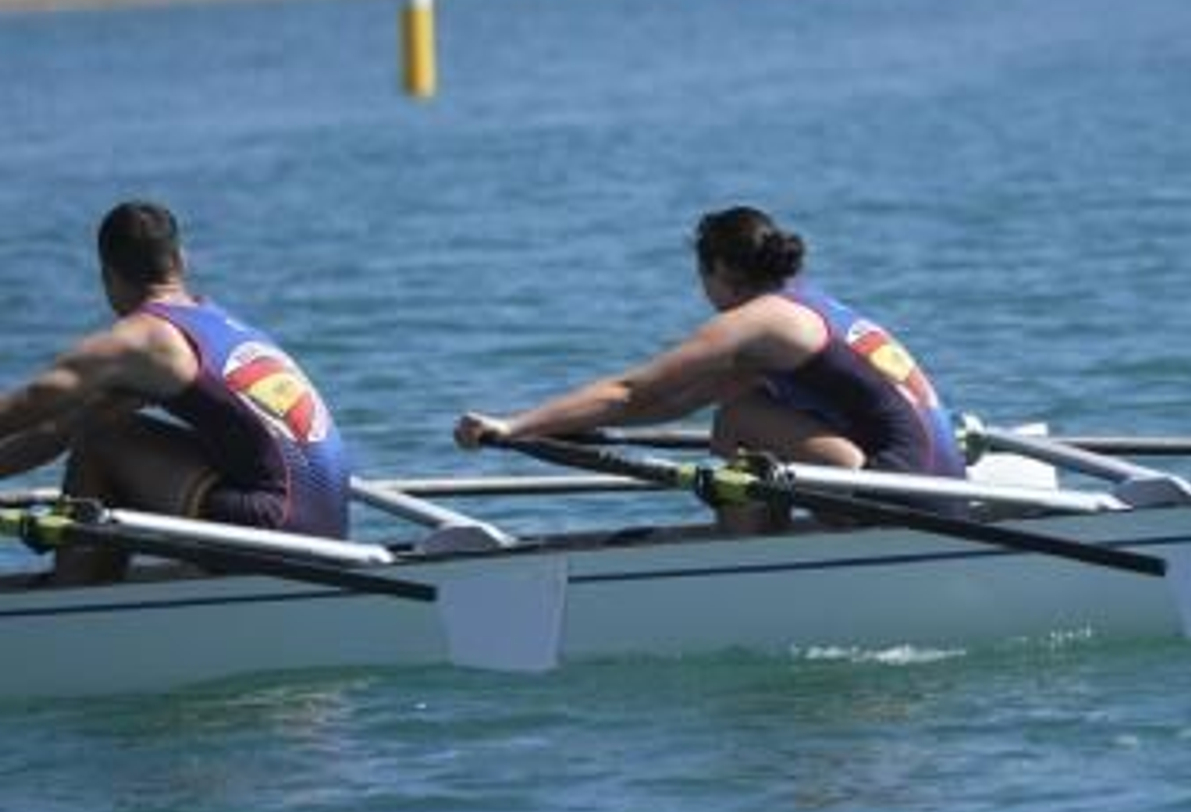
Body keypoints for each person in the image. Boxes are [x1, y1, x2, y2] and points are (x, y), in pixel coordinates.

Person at [454, 205, 966, 529]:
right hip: (942, 491)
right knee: (743, 406)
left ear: (720, 270)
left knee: (739, 416)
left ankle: (749, 555)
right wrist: (561, 427)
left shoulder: (759, 321)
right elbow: (672, 404)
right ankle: (759, 536)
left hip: (903, 498)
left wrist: (514, 425)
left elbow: (633, 392)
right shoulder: (808, 309)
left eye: (701, 274)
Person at [0, 201, 350, 583]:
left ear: (107, 276)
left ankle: (70, 612)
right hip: (331, 524)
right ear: (181, 261)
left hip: (281, 528)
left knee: (101, 440)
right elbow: (55, 432)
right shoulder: (219, 324)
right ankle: (89, 595)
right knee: (103, 427)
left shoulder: (141, 341)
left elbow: (33, 404)